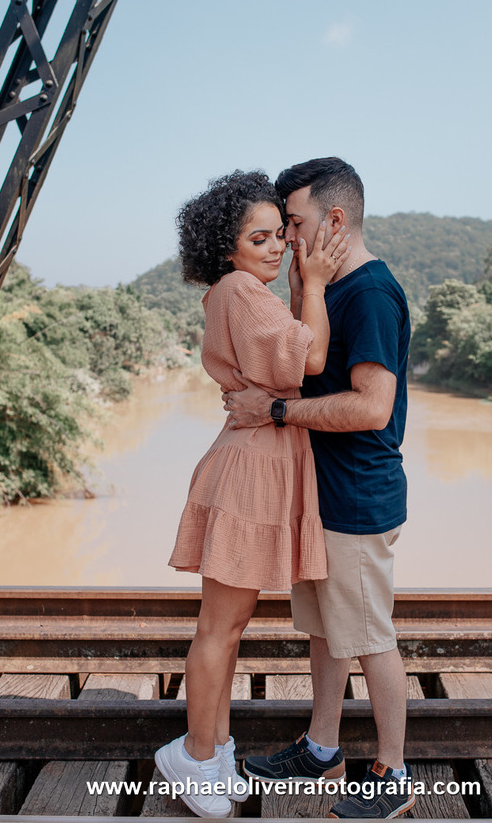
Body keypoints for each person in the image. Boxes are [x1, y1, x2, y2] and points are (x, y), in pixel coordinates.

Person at [154, 169, 351, 818]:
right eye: (258, 237)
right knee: (221, 627)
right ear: (227, 246)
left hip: (252, 459)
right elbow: (313, 357)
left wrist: (298, 288)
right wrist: (315, 283)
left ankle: (210, 749)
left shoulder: (235, 291)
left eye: (278, 236)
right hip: (250, 467)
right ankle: (195, 755)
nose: (275, 247)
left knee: (229, 626)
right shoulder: (243, 290)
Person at [228, 158, 414, 819]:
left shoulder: (367, 293)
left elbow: (370, 408)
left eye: (296, 224)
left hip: (355, 499)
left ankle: (393, 773)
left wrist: (275, 413)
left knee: (367, 636)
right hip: (321, 496)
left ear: (336, 219)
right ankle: (322, 745)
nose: (288, 240)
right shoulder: (326, 286)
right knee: (329, 634)